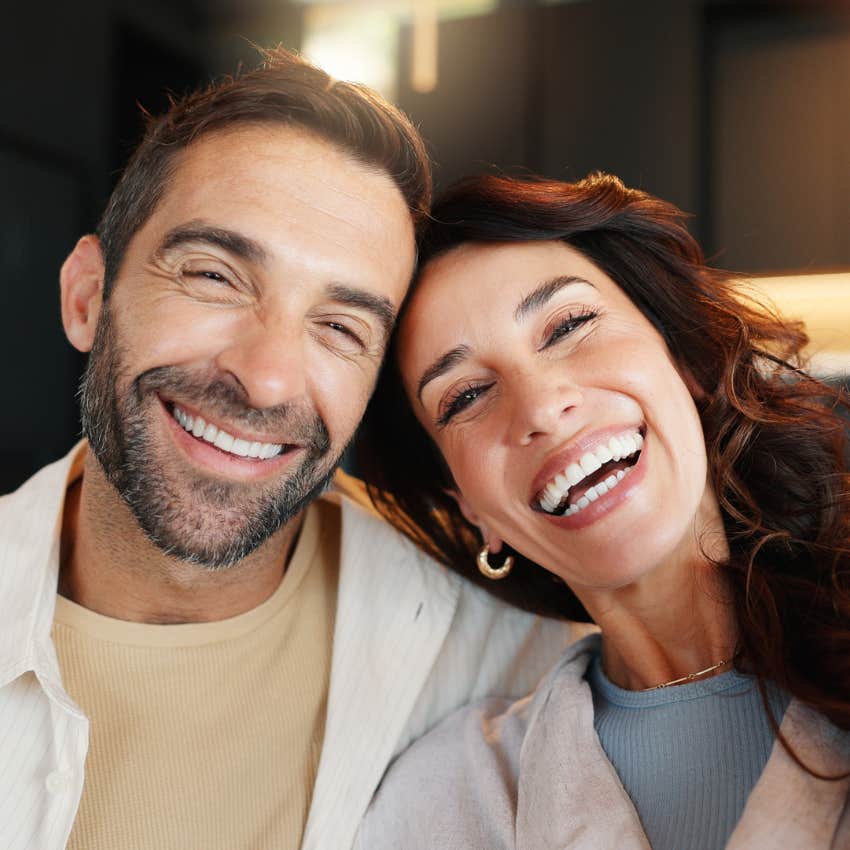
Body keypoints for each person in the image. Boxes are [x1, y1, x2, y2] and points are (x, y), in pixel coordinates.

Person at [0, 52, 574, 850]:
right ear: (88, 297)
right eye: (216, 276)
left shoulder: (513, 671)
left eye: (341, 328)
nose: (267, 380)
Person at [354, 172, 850, 849]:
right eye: (465, 396)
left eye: (569, 325)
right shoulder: (444, 798)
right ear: (469, 507)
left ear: (684, 361)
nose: (540, 407)